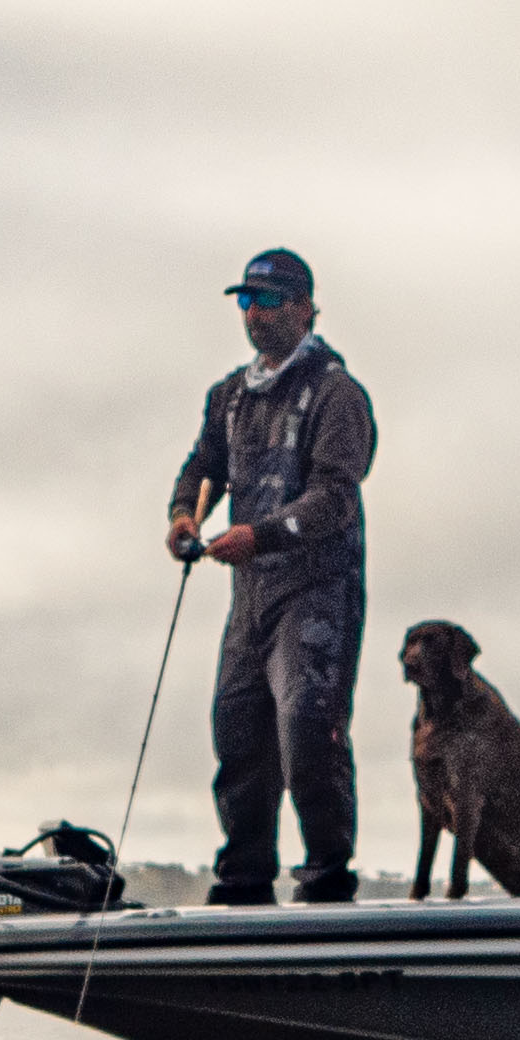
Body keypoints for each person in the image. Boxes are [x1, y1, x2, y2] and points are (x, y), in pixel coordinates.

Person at [166, 248, 378, 905]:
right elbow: (203, 467)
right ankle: (244, 878)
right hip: (250, 595)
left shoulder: (337, 393)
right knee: (237, 729)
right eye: (245, 302)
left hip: (319, 590)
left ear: (305, 307)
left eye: (267, 301)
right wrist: (182, 516)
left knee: (307, 726)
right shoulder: (228, 396)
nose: (254, 314)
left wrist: (259, 535)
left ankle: (326, 880)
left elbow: (335, 499)